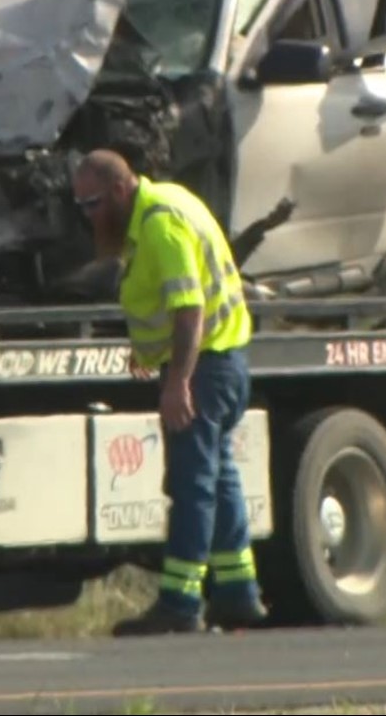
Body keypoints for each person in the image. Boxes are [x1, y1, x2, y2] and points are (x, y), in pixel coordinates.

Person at [71, 149, 267, 635]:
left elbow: (188, 309)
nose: (88, 216)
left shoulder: (160, 227)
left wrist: (178, 379)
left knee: (192, 483)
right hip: (225, 362)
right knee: (219, 479)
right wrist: (151, 352)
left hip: (204, 369)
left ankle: (180, 603)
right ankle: (239, 593)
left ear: (119, 190)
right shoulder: (167, 202)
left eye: (93, 204)